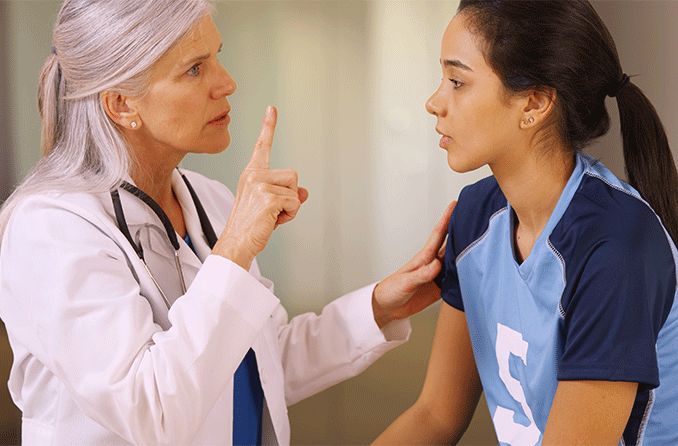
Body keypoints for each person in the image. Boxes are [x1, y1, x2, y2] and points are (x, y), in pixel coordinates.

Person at [0, 1, 454, 445]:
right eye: (194, 69)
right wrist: (234, 249)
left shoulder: (207, 200)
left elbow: (258, 365)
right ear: (121, 104)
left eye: (217, 57)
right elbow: (149, 410)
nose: (227, 83)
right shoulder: (49, 229)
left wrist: (379, 308)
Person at [375, 1, 678, 445]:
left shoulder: (615, 246)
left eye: (457, 82)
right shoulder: (475, 219)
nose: (434, 102)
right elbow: (435, 415)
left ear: (534, 103)